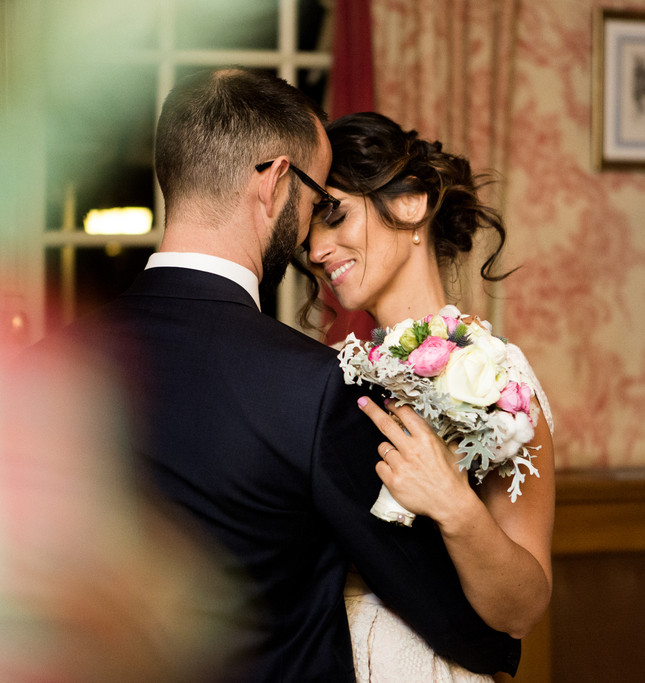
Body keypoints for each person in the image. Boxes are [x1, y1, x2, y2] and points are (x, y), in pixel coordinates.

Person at [28, 70, 520, 683]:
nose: (313, 239)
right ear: (276, 182)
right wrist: (501, 652)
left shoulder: (42, 368)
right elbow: (446, 611)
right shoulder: (312, 388)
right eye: (316, 198)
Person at [302, 111, 556, 683]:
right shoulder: (330, 379)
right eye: (308, 234)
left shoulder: (498, 379)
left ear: (411, 204)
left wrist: (454, 504)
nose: (317, 250)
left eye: (334, 215)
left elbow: (521, 610)